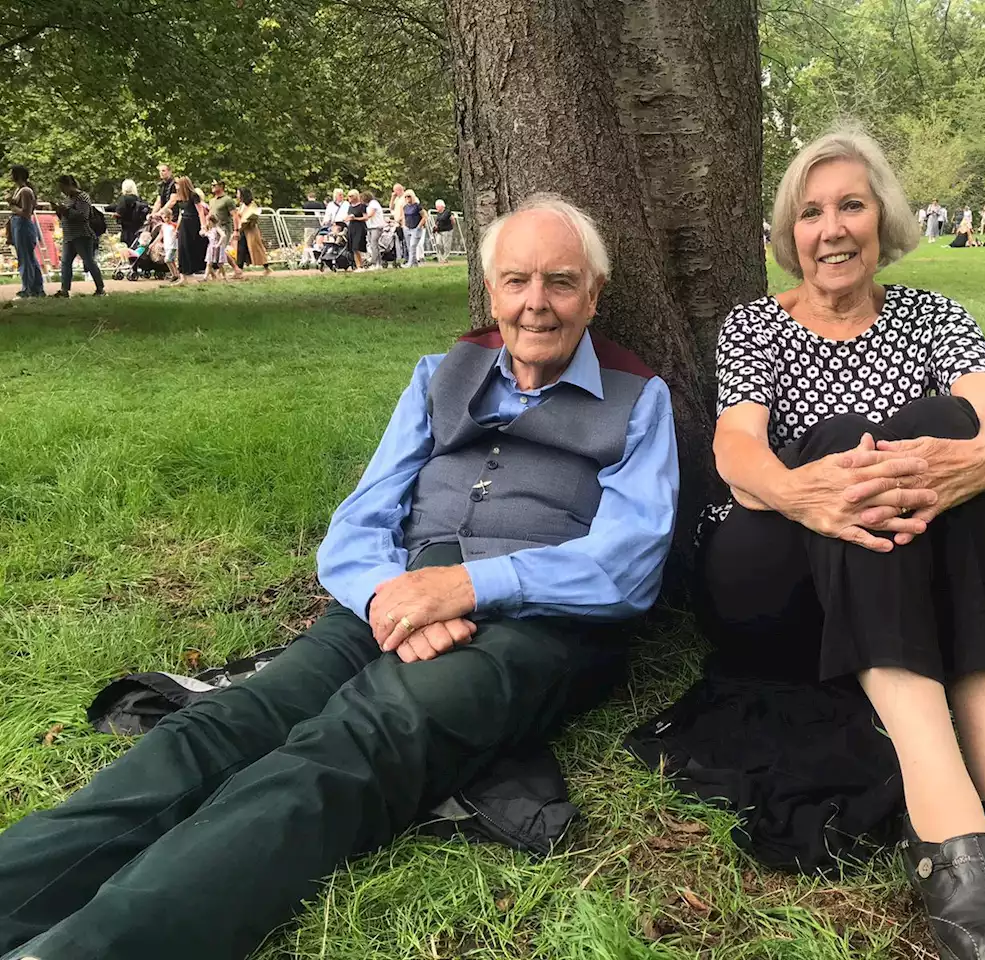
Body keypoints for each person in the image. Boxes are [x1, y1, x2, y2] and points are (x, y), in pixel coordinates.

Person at [0, 193, 679, 960]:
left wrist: (464, 589)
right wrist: (391, 596)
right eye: (516, 280)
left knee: (348, 747)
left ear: (593, 294)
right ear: (491, 290)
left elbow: (629, 563)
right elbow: (358, 524)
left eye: (560, 282)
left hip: (532, 629)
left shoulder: (637, 398)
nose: (536, 304)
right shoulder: (439, 375)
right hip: (385, 602)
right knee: (219, 728)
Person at [700, 127, 985, 960]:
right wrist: (805, 492)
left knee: (944, 432)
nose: (832, 229)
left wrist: (981, 460)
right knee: (855, 439)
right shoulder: (755, 326)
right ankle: (947, 814)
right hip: (768, 576)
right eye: (811, 213)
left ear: (883, 218)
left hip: (889, 573)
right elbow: (735, 450)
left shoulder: (932, 316)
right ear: (790, 235)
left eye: (851, 205)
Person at [50, 175, 106, 298]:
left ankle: (100, 288)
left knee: (89, 261)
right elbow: (66, 217)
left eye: (63, 187)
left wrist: (66, 211)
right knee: (65, 262)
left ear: (70, 185)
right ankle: (64, 289)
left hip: (82, 234)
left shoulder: (82, 197)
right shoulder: (68, 199)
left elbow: (83, 215)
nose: (62, 191)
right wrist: (59, 211)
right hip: (69, 235)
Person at [158, 176, 207, 281]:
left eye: (177, 184)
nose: (175, 186)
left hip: (193, 223)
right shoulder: (180, 198)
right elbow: (181, 213)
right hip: (184, 223)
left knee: (192, 247)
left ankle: (194, 271)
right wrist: (177, 228)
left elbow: (200, 211)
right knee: (182, 247)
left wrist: (203, 226)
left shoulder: (194, 196)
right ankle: (183, 274)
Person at [7, 165, 44, 298]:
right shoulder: (19, 190)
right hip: (18, 225)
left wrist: (12, 205)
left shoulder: (25, 191)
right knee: (27, 257)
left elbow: (26, 212)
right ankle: (36, 288)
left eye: (12, 173)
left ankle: (28, 288)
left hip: (23, 225)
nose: (10, 176)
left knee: (26, 258)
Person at [207, 180, 242, 280]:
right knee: (215, 250)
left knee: (222, 250)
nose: (212, 186)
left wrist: (236, 230)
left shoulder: (228, 200)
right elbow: (210, 214)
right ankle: (217, 273)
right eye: (212, 184)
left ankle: (236, 270)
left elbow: (234, 215)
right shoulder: (212, 200)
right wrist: (207, 225)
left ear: (221, 186)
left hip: (224, 228)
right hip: (214, 229)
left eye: (214, 185)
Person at [232, 187, 271, 276]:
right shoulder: (242, 205)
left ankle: (266, 267)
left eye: (238, 193)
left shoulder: (252, 205)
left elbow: (251, 217)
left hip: (251, 231)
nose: (237, 196)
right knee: (241, 250)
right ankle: (239, 270)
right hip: (243, 230)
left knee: (257, 249)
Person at [106, 180, 149, 248]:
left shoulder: (124, 199)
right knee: (135, 246)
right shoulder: (138, 199)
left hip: (126, 229)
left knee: (125, 247)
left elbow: (119, 212)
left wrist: (114, 215)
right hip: (137, 227)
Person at [401, 189, 425, 267]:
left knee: (412, 245)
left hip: (416, 228)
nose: (407, 198)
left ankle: (410, 263)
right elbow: (404, 217)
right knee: (409, 246)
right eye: (406, 197)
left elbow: (424, 217)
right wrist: (404, 225)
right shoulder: (405, 207)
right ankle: (414, 263)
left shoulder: (417, 206)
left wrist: (419, 226)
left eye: (409, 196)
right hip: (407, 228)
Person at [345, 189, 368, 269]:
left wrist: (355, 218)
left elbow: (365, 217)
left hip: (360, 227)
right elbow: (348, 217)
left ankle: (362, 264)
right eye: (348, 196)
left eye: (351, 196)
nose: (349, 198)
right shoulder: (350, 207)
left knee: (357, 246)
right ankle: (358, 266)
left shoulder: (362, 206)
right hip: (352, 227)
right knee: (353, 248)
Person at [364, 190, 386, 270]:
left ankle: (374, 263)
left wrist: (362, 218)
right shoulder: (369, 205)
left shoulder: (373, 203)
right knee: (374, 245)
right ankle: (378, 263)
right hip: (371, 227)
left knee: (374, 245)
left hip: (376, 227)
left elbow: (371, 214)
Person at [159, 209, 180, 282]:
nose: (167, 219)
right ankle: (177, 274)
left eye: (168, 217)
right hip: (166, 246)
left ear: (171, 217)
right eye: (165, 217)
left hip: (173, 246)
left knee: (167, 260)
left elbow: (178, 234)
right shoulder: (163, 226)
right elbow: (160, 235)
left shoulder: (174, 225)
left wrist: (176, 234)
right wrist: (153, 244)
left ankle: (174, 275)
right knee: (172, 261)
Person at [390, 183, 407, 263]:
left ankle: (406, 257)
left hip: (403, 222)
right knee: (399, 240)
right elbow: (391, 208)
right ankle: (400, 257)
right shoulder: (397, 199)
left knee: (405, 241)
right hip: (397, 222)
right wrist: (392, 198)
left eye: (395, 191)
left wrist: (400, 219)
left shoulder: (405, 198)